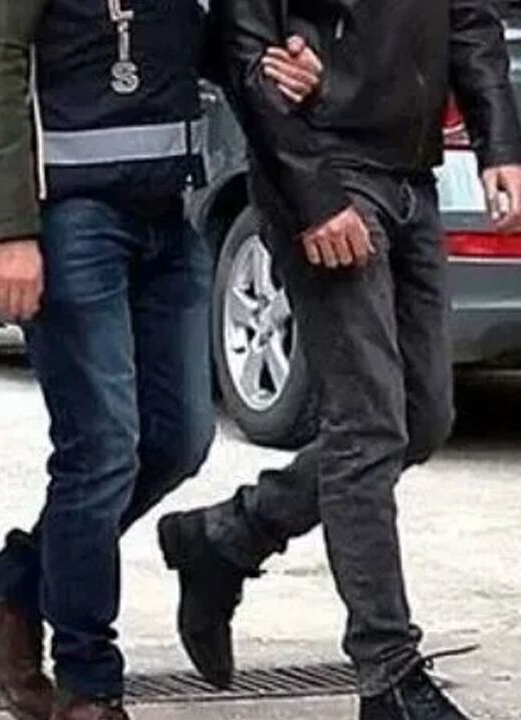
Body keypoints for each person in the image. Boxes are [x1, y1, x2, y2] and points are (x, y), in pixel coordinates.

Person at [0, 1, 323, 717]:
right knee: (101, 450)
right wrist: (8, 232)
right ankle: (89, 685)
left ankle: (6, 589)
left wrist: (278, 60)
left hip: (166, 212)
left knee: (177, 439)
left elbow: (204, 39)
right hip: (72, 216)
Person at [156, 2, 521, 719]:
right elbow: (245, 47)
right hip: (329, 170)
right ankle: (387, 673)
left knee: (421, 418)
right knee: (369, 426)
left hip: (411, 172)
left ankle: (228, 536)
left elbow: (470, 17)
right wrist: (313, 195)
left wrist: (499, 143)